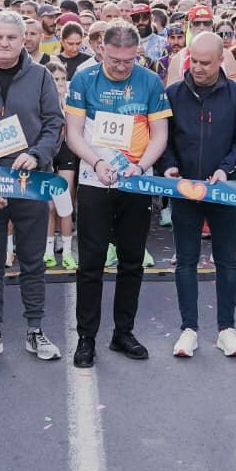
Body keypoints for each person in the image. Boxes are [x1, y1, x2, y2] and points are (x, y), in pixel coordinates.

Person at [64, 20, 172, 369]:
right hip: (97, 180)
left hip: (135, 181)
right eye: (115, 60)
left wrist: (140, 167)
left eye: (129, 60)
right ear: (101, 50)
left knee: (131, 259)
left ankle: (123, 331)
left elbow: (159, 134)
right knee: (91, 262)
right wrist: (95, 162)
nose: (122, 67)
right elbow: (74, 134)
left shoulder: (150, 81)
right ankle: (86, 337)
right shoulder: (84, 79)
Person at [0, 12, 66, 364]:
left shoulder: (40, 77)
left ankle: (35, 329)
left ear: (24, 40)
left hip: (30, 183)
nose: (4, 43)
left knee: (33, 260)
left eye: (11, 37)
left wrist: (37, 155)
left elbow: (55, 123)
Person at [157, 33, 236, 360]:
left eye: (205, 63)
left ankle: (227, 329)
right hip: (184, 191)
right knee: (185, 260)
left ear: (220, 61)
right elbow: (163, 140)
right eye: (193, 61)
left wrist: (226, 168)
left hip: (224, 190)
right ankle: (189, 330)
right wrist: (169, 167)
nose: (197, 68)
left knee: (226, 261)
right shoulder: (171, 94)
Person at [43, 59, 79, 270]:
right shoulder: (41, 100)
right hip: (47, 153)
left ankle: (67, 251)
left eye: (62, 79)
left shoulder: (72, 101)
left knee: (65, 203)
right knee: (48, 206)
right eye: (55, 79)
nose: (59, 83)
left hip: (66, 152)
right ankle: (48, 251)